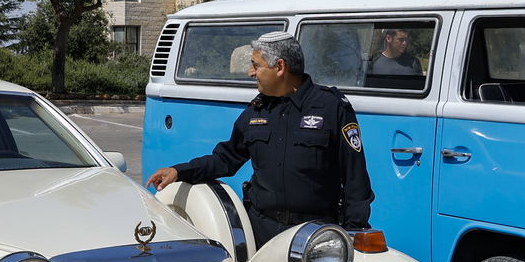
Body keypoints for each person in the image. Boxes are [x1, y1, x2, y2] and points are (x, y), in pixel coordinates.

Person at [147, 31, 374, 246]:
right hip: (262, 232)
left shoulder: (331, 107)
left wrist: (354, 233)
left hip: (315, 235)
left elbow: (356, 179)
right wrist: (180, 171)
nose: (250, 72)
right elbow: (225, 159)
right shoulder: (257, 110)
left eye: (256, 65)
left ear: (280, 67)